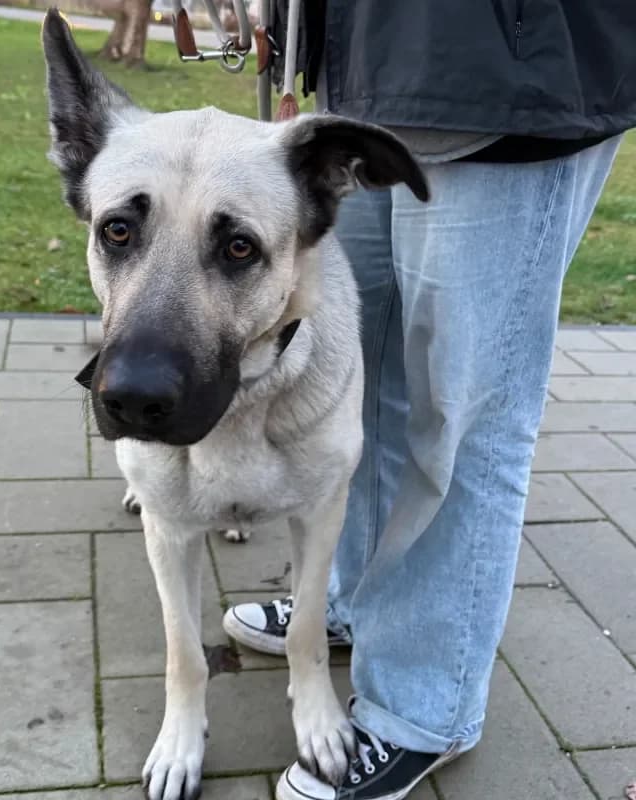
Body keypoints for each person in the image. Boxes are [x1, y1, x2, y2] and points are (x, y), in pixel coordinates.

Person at [222, 3, 636, 799]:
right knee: (359, 384)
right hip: (367, 84)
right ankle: (347, 599)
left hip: (516, 77)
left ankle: (423, 706)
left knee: (464, 416)